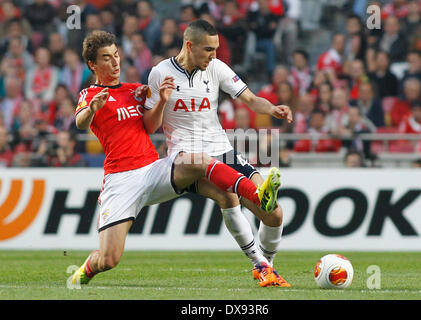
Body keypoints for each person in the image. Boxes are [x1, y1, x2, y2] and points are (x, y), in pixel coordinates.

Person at [70, 30, 281, 288]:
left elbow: (149, 127)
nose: (115, 63)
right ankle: (85, 270)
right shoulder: (90, 95)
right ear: (92, 64)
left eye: (116, 55)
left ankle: (259, 228)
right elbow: (80, 123)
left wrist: (162, 101)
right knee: (108, 259)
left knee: (202, 167)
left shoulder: (136, 91)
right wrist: (92, 109)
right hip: (121, 180)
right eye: (106, 58)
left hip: (154, 169)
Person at [143, 20, 292, 287]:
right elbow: (149, 126)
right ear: (189, 46)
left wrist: (272, 109)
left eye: (216, 49)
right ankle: (259, 264)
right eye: (208, 49)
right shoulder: (159, 73)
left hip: (222, 150)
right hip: (187, 158)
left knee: (275, 214)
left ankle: (268, 267)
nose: (214, 55)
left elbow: (250, 99)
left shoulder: (217, 68)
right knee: (228, 195)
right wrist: (163, 100)